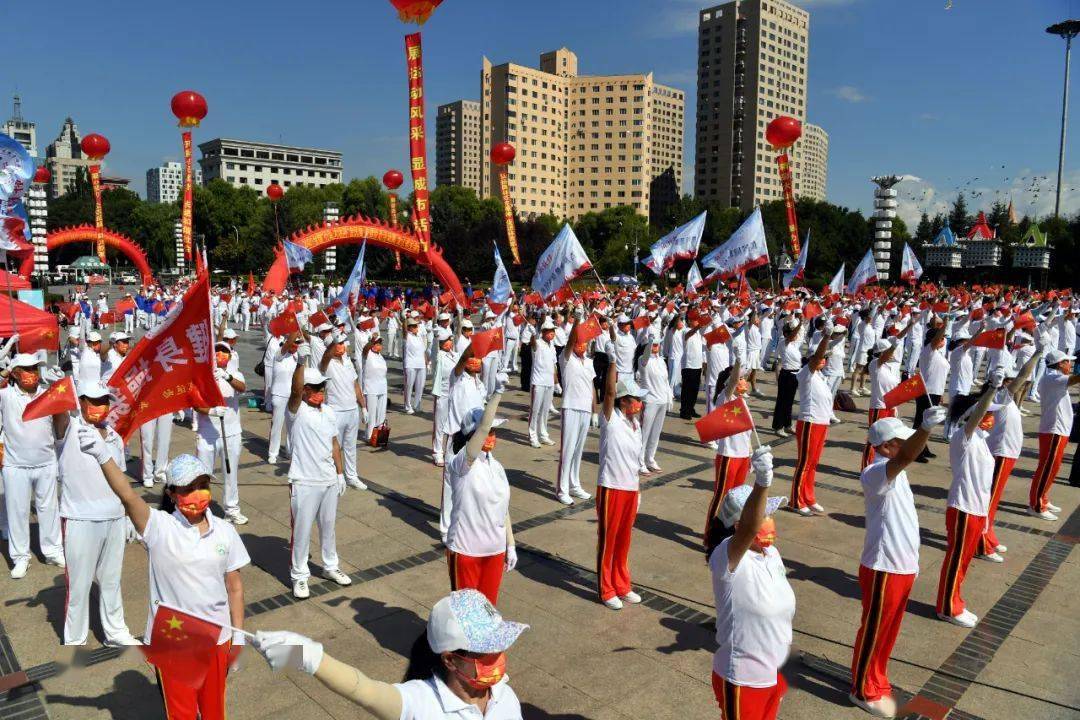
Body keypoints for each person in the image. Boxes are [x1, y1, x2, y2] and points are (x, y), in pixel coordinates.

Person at [86, 444, 248, 720]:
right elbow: (126, 495)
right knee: (181, 714)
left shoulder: (225, 531)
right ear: (172, 494)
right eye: (187, 489)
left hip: (217, 640)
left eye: (202, 485)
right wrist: (102, 455)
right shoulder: (159, 527)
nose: (196, 494)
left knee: (214, 712)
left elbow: (234, 587)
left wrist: (239, 637)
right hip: (173, 643)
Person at [251, 589, 527, 720]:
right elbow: (365, 690)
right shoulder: (421, 703)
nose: (498, 659)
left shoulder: (506, 697)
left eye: (499, 648)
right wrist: (304, 655)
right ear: (450, 659)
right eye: (486, 653)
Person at [849, 409, 946, 718]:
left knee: (889, 632)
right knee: (874, 631)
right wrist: (925, 429)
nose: (908, 447)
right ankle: (862, 689)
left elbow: (904, 459)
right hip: (883, 568)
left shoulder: (897, 473)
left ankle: (877, 678)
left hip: (902, 567)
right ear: (887, 446)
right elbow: (905, 457)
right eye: (902, 442)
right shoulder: (876, 472)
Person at [705, 446, 794, 720]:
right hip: (741, 679)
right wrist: (762, 482)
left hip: (772, 673)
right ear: (737, 525)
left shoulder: (771, 554)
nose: (770, 522)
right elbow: (749, 528)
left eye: (770, 515)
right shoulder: (726, 558)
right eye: (763, 515)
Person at [52, 381, 140, 646]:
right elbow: (58, 415)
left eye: (104, 401)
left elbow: (120, 479)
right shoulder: (69, 429)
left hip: (112, 518)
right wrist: (58, 391)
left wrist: (127, 516)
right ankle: (75, 639)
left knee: (111, 582)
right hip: (80, 519)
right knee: (78, 586)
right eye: (93, 400)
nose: (99, 406)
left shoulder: (113, 435)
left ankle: (115, 632)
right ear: (81, 402)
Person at [936, 369, 1003, 627]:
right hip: (963, 508)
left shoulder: (981, 439)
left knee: (963, 561)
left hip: (975, 508)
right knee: (956, 560)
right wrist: (991, 390)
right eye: (987, 414)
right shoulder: (962, 437)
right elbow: (974, 416)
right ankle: (947, 607)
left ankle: (955, 600)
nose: (991, 417)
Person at [286, 342, 351, 599]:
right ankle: (299, 575)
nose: (319, 392)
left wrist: (340, 472)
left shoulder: (329, 412)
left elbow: (334, 444)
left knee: (328, 526)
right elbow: (293, 390)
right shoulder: (296, 411)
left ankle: (330, 566)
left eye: (321, 388)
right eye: (313, 389)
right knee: (301, 530)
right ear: (304, 391)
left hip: (328, 480)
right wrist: (301, 362)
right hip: (304, 480)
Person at [444, 384, 516, 605]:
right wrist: (497, 395)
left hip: (493, 551)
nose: (491, 436)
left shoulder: (498, 468)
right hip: (466, 551)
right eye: (488, 432)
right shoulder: (460, 463)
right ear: (471, 435)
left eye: (494, 432)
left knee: (488, 612)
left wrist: (510, 544)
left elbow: (503, 510)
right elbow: (482, 428)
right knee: (466, 617)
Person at [0, 353, 65, 578]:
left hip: (46, 462)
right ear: (16, 373)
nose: (33, 373)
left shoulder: (47, 395)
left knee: (49, 509)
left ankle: (53, 550)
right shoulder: (6, 396)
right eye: (27, 369)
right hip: (15, 465)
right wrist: (4, 372)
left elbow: (61, 424)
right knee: (17, 512)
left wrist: (59, 389)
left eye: (35, 369)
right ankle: (20, 557)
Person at [976, 348, 1043, 560]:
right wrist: (1037, 354)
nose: (1016, 383)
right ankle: (980, 543)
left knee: (993, 500)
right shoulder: (1001, 396)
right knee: (989, 500)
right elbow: (1023, 375)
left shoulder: (1007, 399)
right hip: (1000, 453)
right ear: (1003, 383)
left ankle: (988, 534)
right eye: (1010, 380)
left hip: (1008, 453)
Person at [596, 360, 646, 610]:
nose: (639, 404)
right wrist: (613, 362)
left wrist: (637, 491)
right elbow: (608, 393)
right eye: (635, 399)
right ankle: (606, 589)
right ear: (623, 400)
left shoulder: (635, 424)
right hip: (611, 488)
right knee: (609, 540)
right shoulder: (609, 418)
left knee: (624, 540)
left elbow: (635, 461)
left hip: (629, 489)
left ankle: (622, 584)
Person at [194, 342, 248, 524]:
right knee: (202, 475)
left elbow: (242, 388)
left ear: (230, 355)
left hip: (231, 433)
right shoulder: (202, 375)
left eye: (224, 351)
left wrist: (226, 376)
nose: (220, 354)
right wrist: (210, 411)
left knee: (230, 473)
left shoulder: (235, 374)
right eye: (216, 350)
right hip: (207, 433)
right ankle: (202, 510)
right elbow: (194, 402)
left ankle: (232, 509)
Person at [1028, 348, 1080, 520]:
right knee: (1047, 468)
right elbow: (1075, 378)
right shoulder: (1053, 377)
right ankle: (1036, 506)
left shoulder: (1054, 377)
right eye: (1068, 361)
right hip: (1054, 430)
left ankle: (1042, 497)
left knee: (1053, 467)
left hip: (1059, 430)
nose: (1071, 365)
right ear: (1060, 364)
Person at [704, 361, 750, 541]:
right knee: (721, 497)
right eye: (741, 379)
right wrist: (738, 362)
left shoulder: (742, 401)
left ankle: (730, 532)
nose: (744, 382)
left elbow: (747, 433)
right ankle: (711, 535)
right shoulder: (726, 397)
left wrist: (750, 455)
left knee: (737, 500)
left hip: (742, 457)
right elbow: (731, 383)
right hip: (728, 457)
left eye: (744, 379)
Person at [789, 330, 834, 516]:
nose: (824, 360)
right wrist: (826, 338)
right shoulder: (805, 373)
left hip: (821, 423)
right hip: (809, 422)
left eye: (826, 358)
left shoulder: (821, 377)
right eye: (821, 357)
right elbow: (816, 359)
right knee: (805, 463)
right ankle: (796, 500)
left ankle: (808, 496)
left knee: (813, 463)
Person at [557, 316, 598, 504]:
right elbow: (571, 340)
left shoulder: (588, 362)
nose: (581, 346)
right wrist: (576, 324)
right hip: (570, 406)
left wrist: (595, 411)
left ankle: (574, 484)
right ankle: (562, 489)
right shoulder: (565, 358)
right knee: (567, 449)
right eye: (578, 343)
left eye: (584, 343)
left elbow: (592, 388)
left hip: (585, 409)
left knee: (578, 449)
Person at [320, 331, 368, 490]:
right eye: (339, 344)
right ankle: (333, 476)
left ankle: (352, 477)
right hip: (336, 411)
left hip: (352, 410)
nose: (343, 347)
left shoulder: (348, 361)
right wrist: (334, 342)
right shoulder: (327, 364)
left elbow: (355, 385)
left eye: (343, 343)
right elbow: (325, 358)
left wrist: (364, 407)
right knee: (333, 447)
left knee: (351, 446)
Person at [861, 336, 904, 469]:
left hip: (890, 407)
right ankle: (867, 467)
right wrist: (894, 346)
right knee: (874, 440)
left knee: (889, 439)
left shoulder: (890, 368)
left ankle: (882, 465)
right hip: (878, 407)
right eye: (888, 351)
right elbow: (884, 356)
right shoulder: (875, 364)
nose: (892, 354)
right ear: (881, 353)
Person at [637, 331, 671, 475]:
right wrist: (650, 343)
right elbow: (645, 358)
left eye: (657, 344)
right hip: (649, 401)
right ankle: (639, 462)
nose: (656, 347)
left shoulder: (661, 360)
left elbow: (666, 381)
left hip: (662, 400)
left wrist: (669, 398)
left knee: (656, 433)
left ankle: (650, 458)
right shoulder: (643, 360)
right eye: (653, 345)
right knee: (644, 433)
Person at [268, 331, 301, 464]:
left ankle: (290, 450)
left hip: (292, 395)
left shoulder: (297, 356)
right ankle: (273, 453)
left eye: (297, 343)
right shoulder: (279, 354)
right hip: (279, 394)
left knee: (292, 424)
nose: (296, 345)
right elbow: (287, 344)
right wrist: (295, 331)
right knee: (277, 425)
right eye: (295, 343)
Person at [527, 319, 558, 447]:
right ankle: (532, 436)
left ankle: (543, 435)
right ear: (544, 332)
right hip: (538, 382)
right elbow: (532, 344)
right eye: (550, 331)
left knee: (545, 411)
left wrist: (556, 382)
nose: (552, 333)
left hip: (549, 382)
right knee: (535, 410)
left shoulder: (552, 346)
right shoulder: (538, 343)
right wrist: (533, 334)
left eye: (553, 331)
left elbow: (554, 365)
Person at [771, 317, 802, 435]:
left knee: (789, 402)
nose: (796, 334)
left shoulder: (794, 345)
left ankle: (788, 425)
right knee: (782, 402)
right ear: (786, 333)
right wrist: (799, 324)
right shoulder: (784, 342)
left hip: (795, 375)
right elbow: (778, 363)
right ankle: (778, 427)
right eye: (793, 332)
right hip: (786, 375)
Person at [362, 335, 389, 442]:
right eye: (376, 344)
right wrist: (371, 341)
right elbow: (364, 349)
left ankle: (378, 435)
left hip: (382, 388)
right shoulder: (367, 355)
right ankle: (369, 435)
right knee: (371, 414)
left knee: (381, 414)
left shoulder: (380, 356)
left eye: (380, 344)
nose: (379, 346)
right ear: (372, 345)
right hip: (371, 388)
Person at [403, 317, 427, 414]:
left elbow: (423, 350)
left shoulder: (419, 336)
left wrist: (426, 361)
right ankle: (407, 406)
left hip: (421, 364)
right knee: (409, 386)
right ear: (409, 327)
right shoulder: (407, 336)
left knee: (420, 386)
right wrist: (405, 318)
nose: (415, 327)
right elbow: (403, 328)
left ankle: (417, 405)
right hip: (410, 364)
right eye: (413, 326)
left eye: (416, 325)